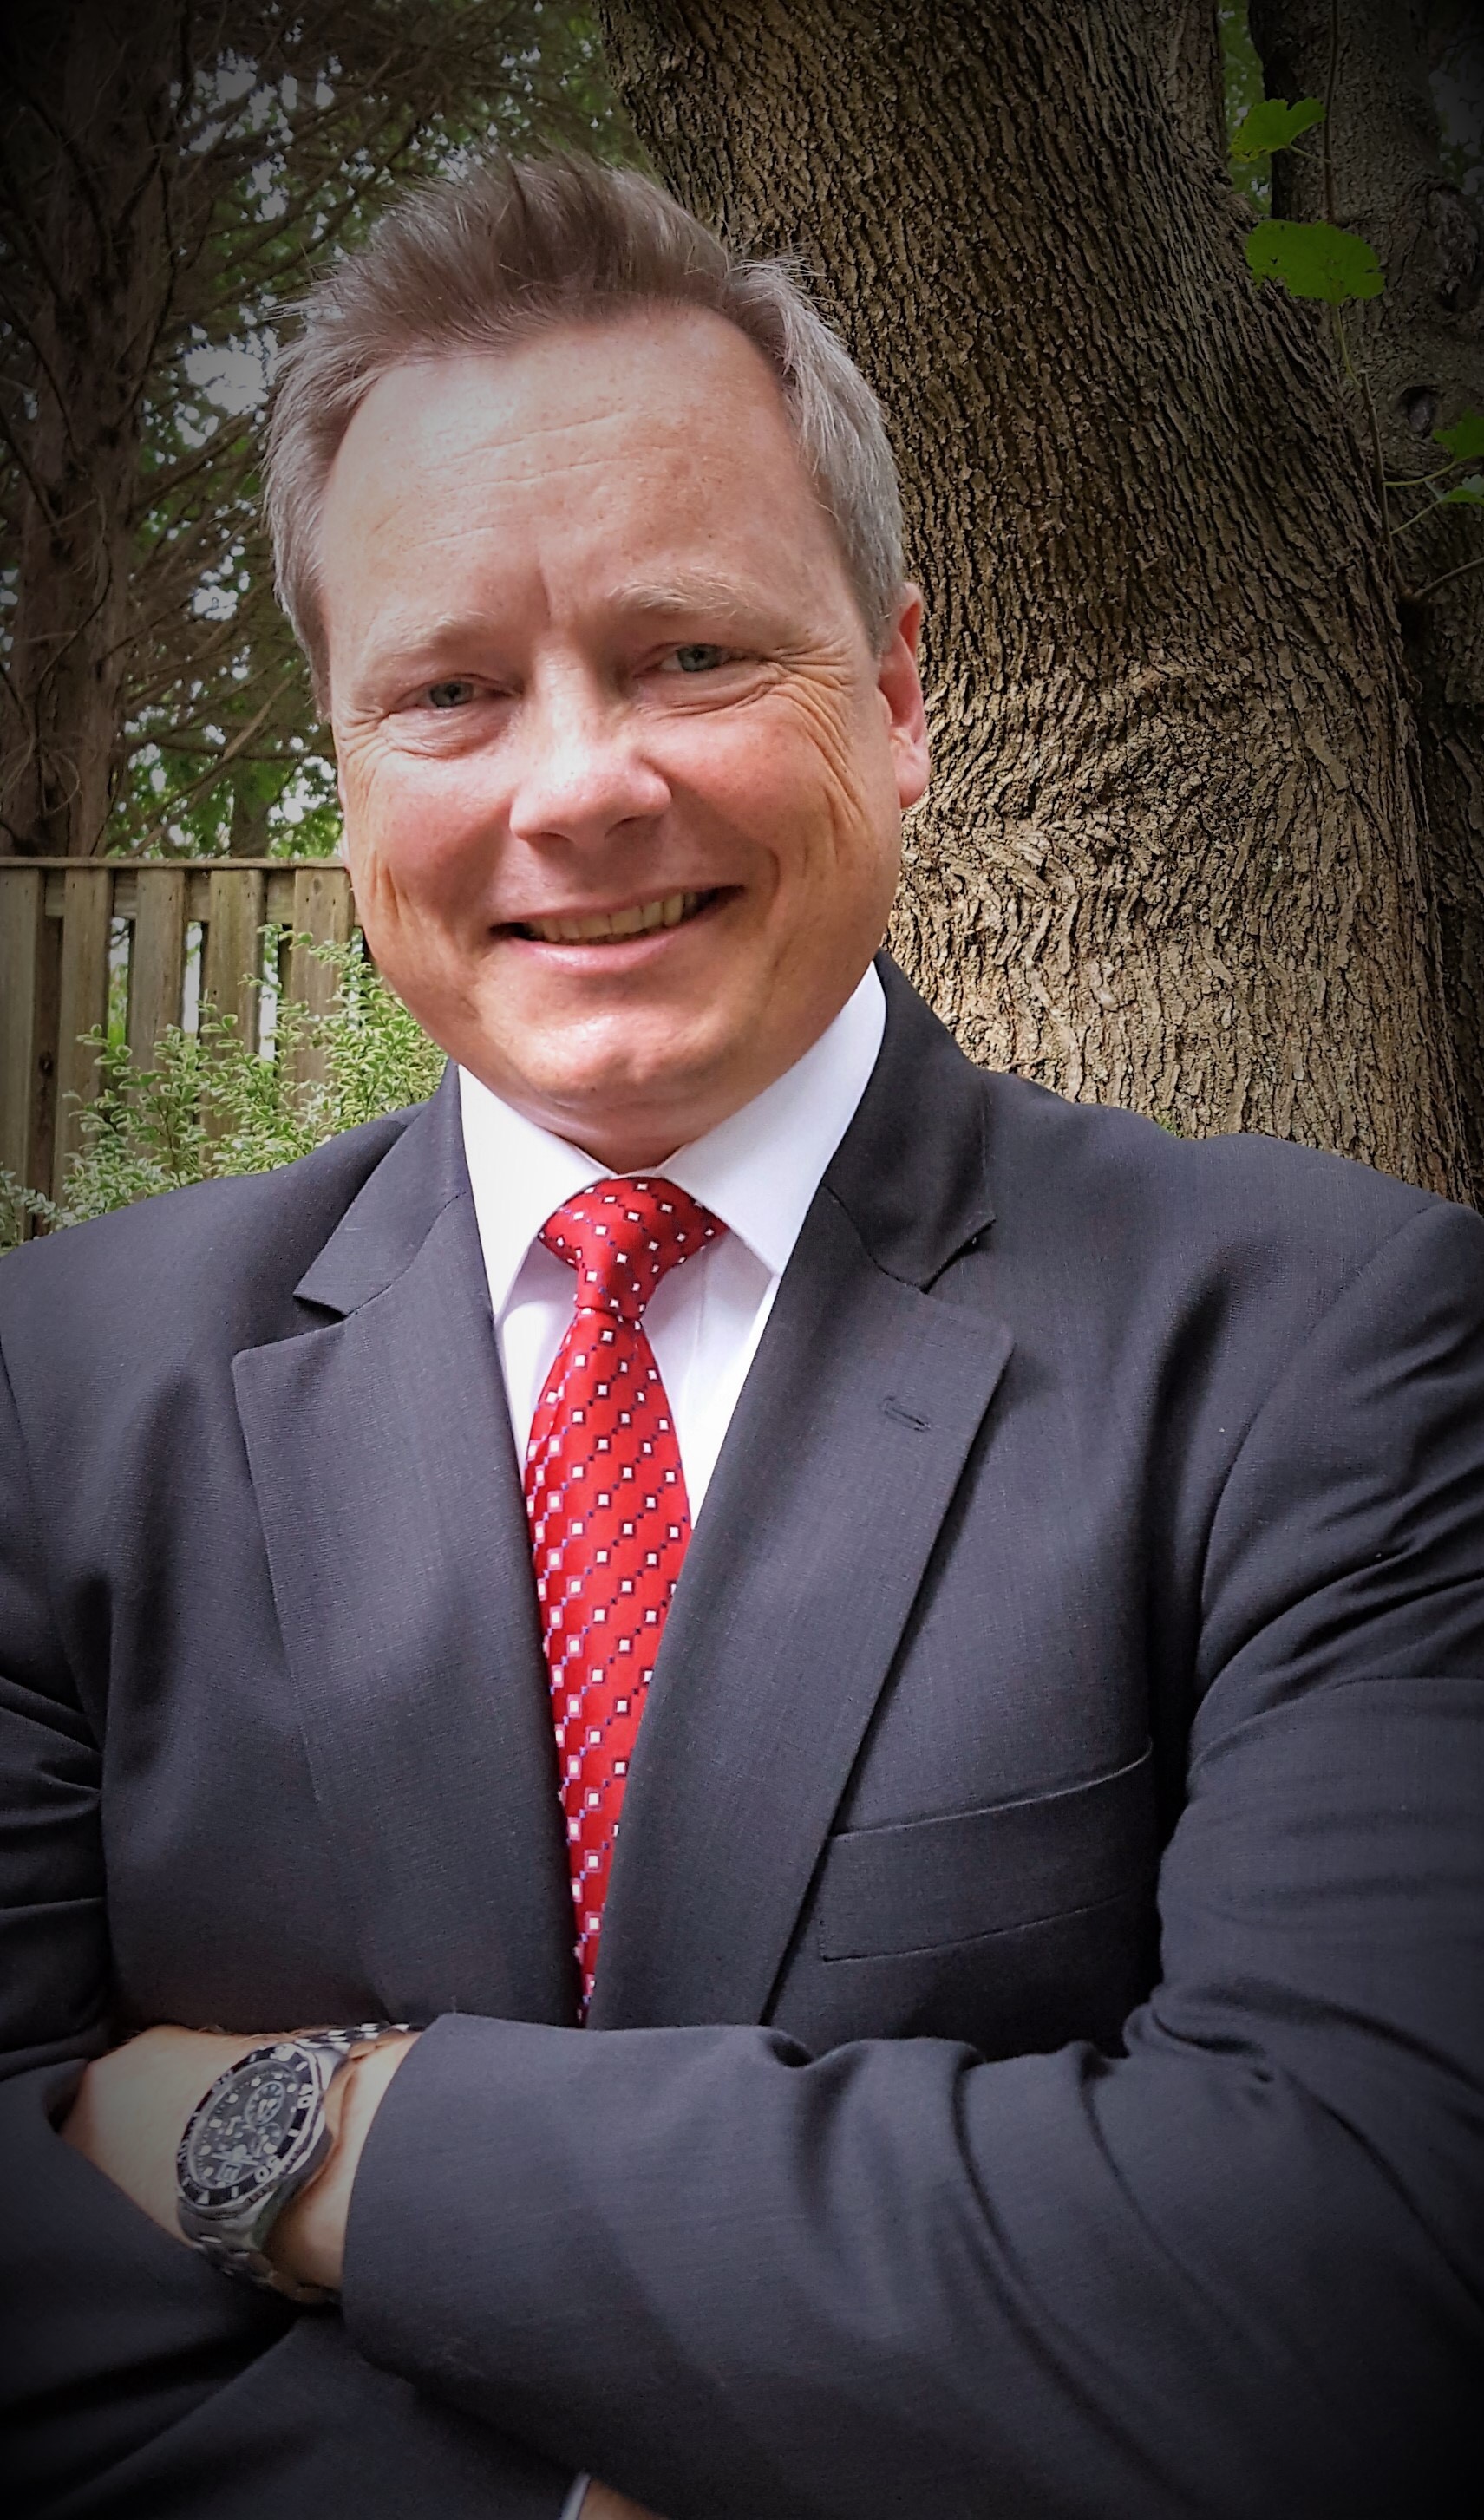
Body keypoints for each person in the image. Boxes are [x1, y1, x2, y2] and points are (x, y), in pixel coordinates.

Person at [1, 152, 1481, 2520]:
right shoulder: (52, 1394)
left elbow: (1356, 2274)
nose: (581, 785)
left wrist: (309, 2128)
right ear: (350, 767)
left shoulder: (1328, 1350)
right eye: (452, 691)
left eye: (692, 653)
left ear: (898, 696)